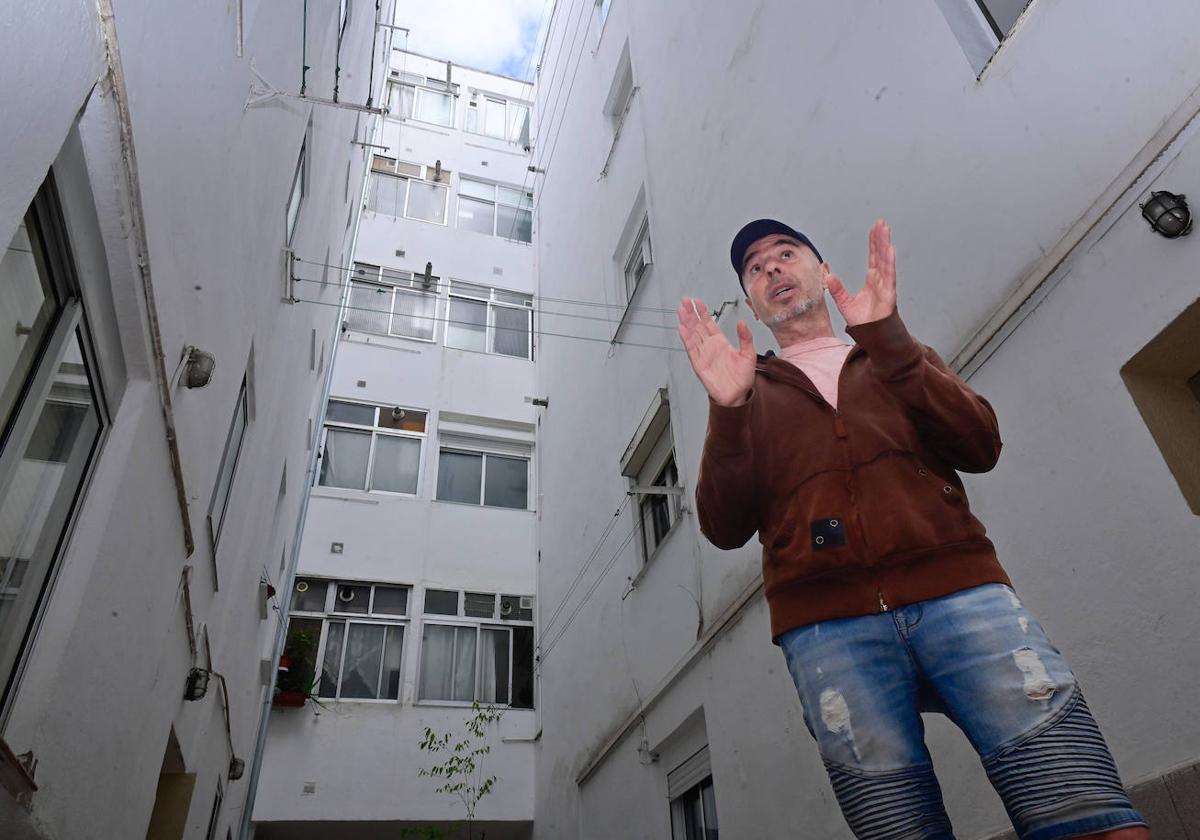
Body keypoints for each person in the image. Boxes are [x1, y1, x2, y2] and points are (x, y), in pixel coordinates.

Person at [677, 218, 1148, 840]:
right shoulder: (749, 390)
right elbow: (722, 525)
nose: (772, 270)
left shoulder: (891, 357)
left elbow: (979, 444)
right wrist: (729, 411)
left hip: (964, 597)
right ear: (752, 303)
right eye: (755, 269)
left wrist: (891, 342)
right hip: (828, 631)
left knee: (1081, 808)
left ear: (821, 271)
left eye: (786, 254)